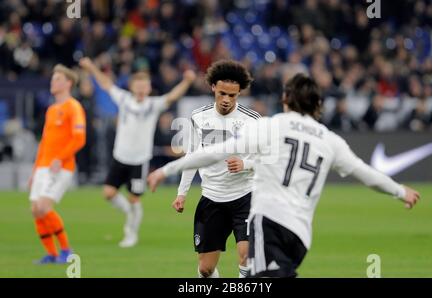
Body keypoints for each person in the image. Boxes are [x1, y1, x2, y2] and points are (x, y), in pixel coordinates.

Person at [148, 73, 420, 277]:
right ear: (318, 106)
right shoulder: (330, 140)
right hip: (300, 235)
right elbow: (366, 174)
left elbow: (215, 151)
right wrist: (400, 191)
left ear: (285, 100)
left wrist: (165, 170)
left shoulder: (269, 126)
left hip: (269, 224)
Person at [79, 57, 196, 247]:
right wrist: (92, 67)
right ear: (132, 87)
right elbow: (106, 83)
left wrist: (187, 81)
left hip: (139, 160)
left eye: (145, 86)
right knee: (108, 193)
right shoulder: (124, 99)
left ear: (149, 88)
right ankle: (129, 213)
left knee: (135, 199)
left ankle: (131, 233)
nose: (141, 89)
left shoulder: (153, 104)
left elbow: (173, 96)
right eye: (138, 85)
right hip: (120, 157)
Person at [173, 60, 260, 278]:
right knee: (205, 269)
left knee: (246, 255)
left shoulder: (254, 121)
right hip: (212, 197)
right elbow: (192, 157)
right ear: (213, 87)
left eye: (232, 95)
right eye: (222, 93)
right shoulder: (198, 117)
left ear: (240, 93)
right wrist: (182, 193)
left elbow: (269, 161)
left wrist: (246, 164)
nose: (226, 100)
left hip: (245, 196)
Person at [30, 64, 86, 264]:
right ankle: (52, 254)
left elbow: (79, 139)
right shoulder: (52, 109)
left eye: (57, 79)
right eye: (53, 79)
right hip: (44, 166)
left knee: (44, 207)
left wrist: (60, 158)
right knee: (36, 209)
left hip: (61, 167)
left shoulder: (73, 107)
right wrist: (35, 170)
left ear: (68, 83)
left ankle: (66, 250)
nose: (52, 82)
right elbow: (44, 142)